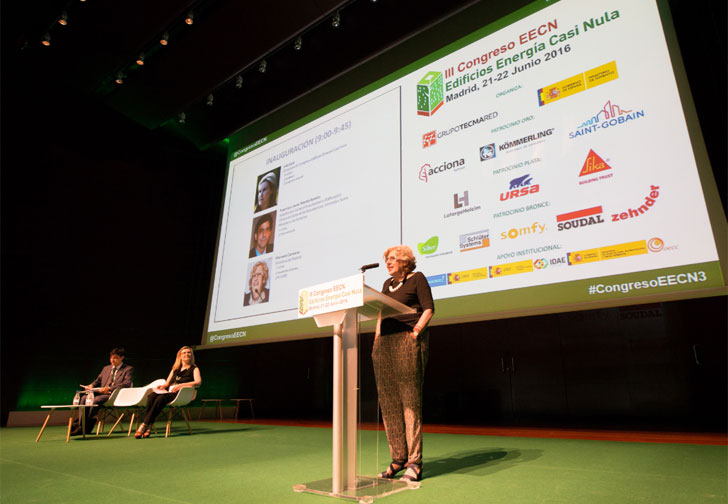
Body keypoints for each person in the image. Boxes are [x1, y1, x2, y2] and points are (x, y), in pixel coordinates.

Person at [372, 245, 434, 482]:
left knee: (409, 403)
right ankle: (398, 459)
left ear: (406, 262)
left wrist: (417, 331)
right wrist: (377, 338)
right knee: (388, 403)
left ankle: (414, 463)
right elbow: (380, 313)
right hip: (384, 346)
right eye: (387, 259)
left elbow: (428, 308)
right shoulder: (387, 285)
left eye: (394, 259)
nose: (389, 262)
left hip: (408, 341)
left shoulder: (417, 279)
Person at [135, 346, 202, 438]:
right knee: (152, 396)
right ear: (180, 356)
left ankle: (144, 424)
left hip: (180, 394)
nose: (187, 354)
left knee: (161, 398)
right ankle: (149, 426)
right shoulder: (175, 368)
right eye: (184, 353)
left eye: (189, 352)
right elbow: (167, 383)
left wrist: (181, 385)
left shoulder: (194, 368)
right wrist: (162, 386)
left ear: (192, 355)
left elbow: (198, 382)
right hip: (169, 391)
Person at [71, 347, 134, 435]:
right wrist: (91, 385)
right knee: (84, 398)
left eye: (115, 358)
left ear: (122, 357)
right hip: (102, 393)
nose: (112, 360)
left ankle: (80, 425)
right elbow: (98, 380)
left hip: (114, 395)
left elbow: (126, 384)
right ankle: (83, 426)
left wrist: (109, 388)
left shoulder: (128, 369)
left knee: (96, 400)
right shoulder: (106, 368)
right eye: (111, 358)